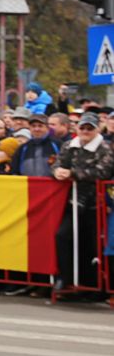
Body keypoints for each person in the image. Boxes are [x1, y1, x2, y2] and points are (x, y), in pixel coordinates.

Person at [51, 115, 114, 297]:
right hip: (72, 202)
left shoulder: (104, 148)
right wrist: (58, 171)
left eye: (90, 128)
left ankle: (96, 286)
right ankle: (65, 278)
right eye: (83, 128)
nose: (85, 132)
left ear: (96, 130)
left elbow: (103, 171)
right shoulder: (69, 145)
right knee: (62, 236)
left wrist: (73, 173)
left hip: (97, 205)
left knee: (93, 246)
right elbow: (56, 163)